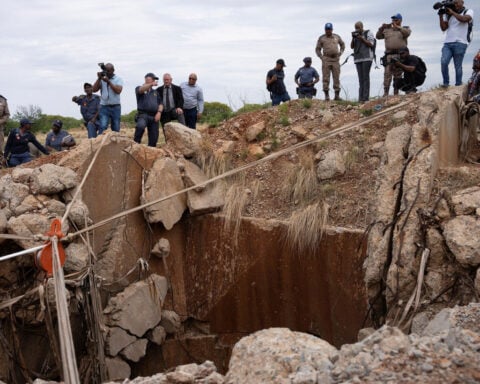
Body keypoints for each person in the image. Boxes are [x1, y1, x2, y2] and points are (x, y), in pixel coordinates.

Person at [439, 0, 474, 87]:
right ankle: (446, 83)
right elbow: (443, 28)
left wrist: (453, 12)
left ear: (462, 2)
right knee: (444, 62)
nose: (455, 4)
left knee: (457, 66)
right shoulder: (449, 14)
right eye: (454, 3)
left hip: (461, 42)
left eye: (456, 2)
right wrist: (441, 16)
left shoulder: (468, 11)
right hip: (447, 43)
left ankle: (458, 85)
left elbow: (464, 19)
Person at [376, 14, 411, 97]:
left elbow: (407, 33)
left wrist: (398, 27)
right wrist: (381, 28)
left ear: (400, 20)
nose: (394, 21)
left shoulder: (404, 29)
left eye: (396, 20)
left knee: (398, 75)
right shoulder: (387, 30)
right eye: (393, 20)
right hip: (389, 55)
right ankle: (386, 93)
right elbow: (378, 36)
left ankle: (396, 92)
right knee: (387, 74)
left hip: (400, 55)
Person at [315, 23, 345, 101]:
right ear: (325, 30)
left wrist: (340, 53)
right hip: (326, 59)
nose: (328, 31)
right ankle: (326, 96)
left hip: (335, 60)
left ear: (332, 29)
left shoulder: (336, 37)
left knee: (336, 77)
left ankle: (337, 96)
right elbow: (317, 49)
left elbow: (342, 45)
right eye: (327, 29)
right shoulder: (322, 38)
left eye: (329, 29)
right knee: (326, 78)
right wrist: (321, 57)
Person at [92, 63, 123, 133]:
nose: (107, 73)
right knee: (102, 127)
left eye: (108, 71)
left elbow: (118, 91)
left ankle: (115, 143)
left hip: (116, 107)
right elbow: (94, 89)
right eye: (106, 71)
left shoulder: (118, 79)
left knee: (116, 128)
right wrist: (99, 78)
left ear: (113, 70)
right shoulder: (102, 79)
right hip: (104, 107)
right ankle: (101, 143)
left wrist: (108, 81)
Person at [134, 72, 162, 147]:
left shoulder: (156, 92)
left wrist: (159, 112)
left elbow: (160, 104)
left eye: (154, 80)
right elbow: (141, 90)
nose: (153, 81)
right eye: (152, 79)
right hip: (143, 115)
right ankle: (135, 145)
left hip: (154, 116)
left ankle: (151, 151)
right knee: (140, 126)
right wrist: (151, 84)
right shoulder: (139, 88)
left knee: (154, 137)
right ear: (146, 79)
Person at [351, 21, 375, 103]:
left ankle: (366, 98)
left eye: (358, 27)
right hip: (358, 58)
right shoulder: (356, 35)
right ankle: (360, 98)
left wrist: (362, 38)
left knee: (365, 78)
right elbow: (352, 46)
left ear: (362, 26)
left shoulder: (368, 33)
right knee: (360, 79)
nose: (357, 29)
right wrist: (353, 38)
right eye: (356, 28)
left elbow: (371, 44)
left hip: (367, 57)